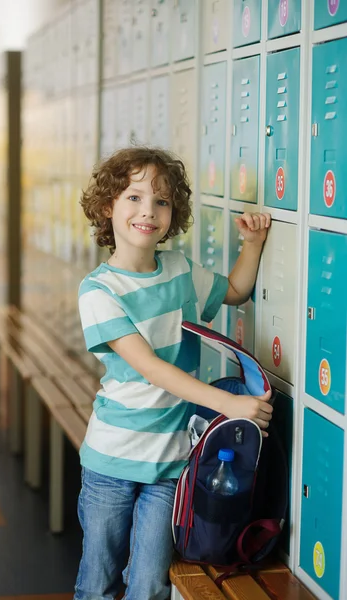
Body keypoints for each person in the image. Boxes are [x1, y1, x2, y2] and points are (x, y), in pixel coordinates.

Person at [74, 147, 273, 600]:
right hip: (111, 461)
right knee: (98, 584)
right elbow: (151, 368)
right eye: (134, 198)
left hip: (170, 462)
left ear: (173, 213)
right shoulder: (99, 291)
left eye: (161, 201)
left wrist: (253, 243)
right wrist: (230, 404)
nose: (148, 211)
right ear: (108, 207)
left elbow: (237, 291)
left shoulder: (181, 271)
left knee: (149, 585)